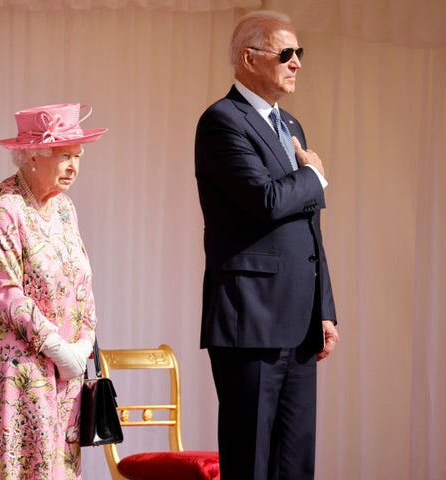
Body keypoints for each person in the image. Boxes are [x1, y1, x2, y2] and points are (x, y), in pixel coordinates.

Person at [194, 10, 340, 480]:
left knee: (295, 463)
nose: (297, 62)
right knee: (251, 462)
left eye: (300, 53)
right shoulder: (221, 121)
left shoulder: (292, 125)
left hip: (300, 325)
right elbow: (265, 200)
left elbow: (308, 228)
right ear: (248, 58)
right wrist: (313, 175)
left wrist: (325, 308)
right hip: (250, 321)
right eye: (286, 53)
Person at [0, 103, 107, 479]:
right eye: (65, 155)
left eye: (77, 156)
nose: (73, 166)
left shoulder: (65, 209)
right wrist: (56, 347)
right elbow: (4, 291)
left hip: (69, 373)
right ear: (33, 156)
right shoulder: (0, 207)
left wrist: (82, 345)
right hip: (21, 370)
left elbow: (83, 281)